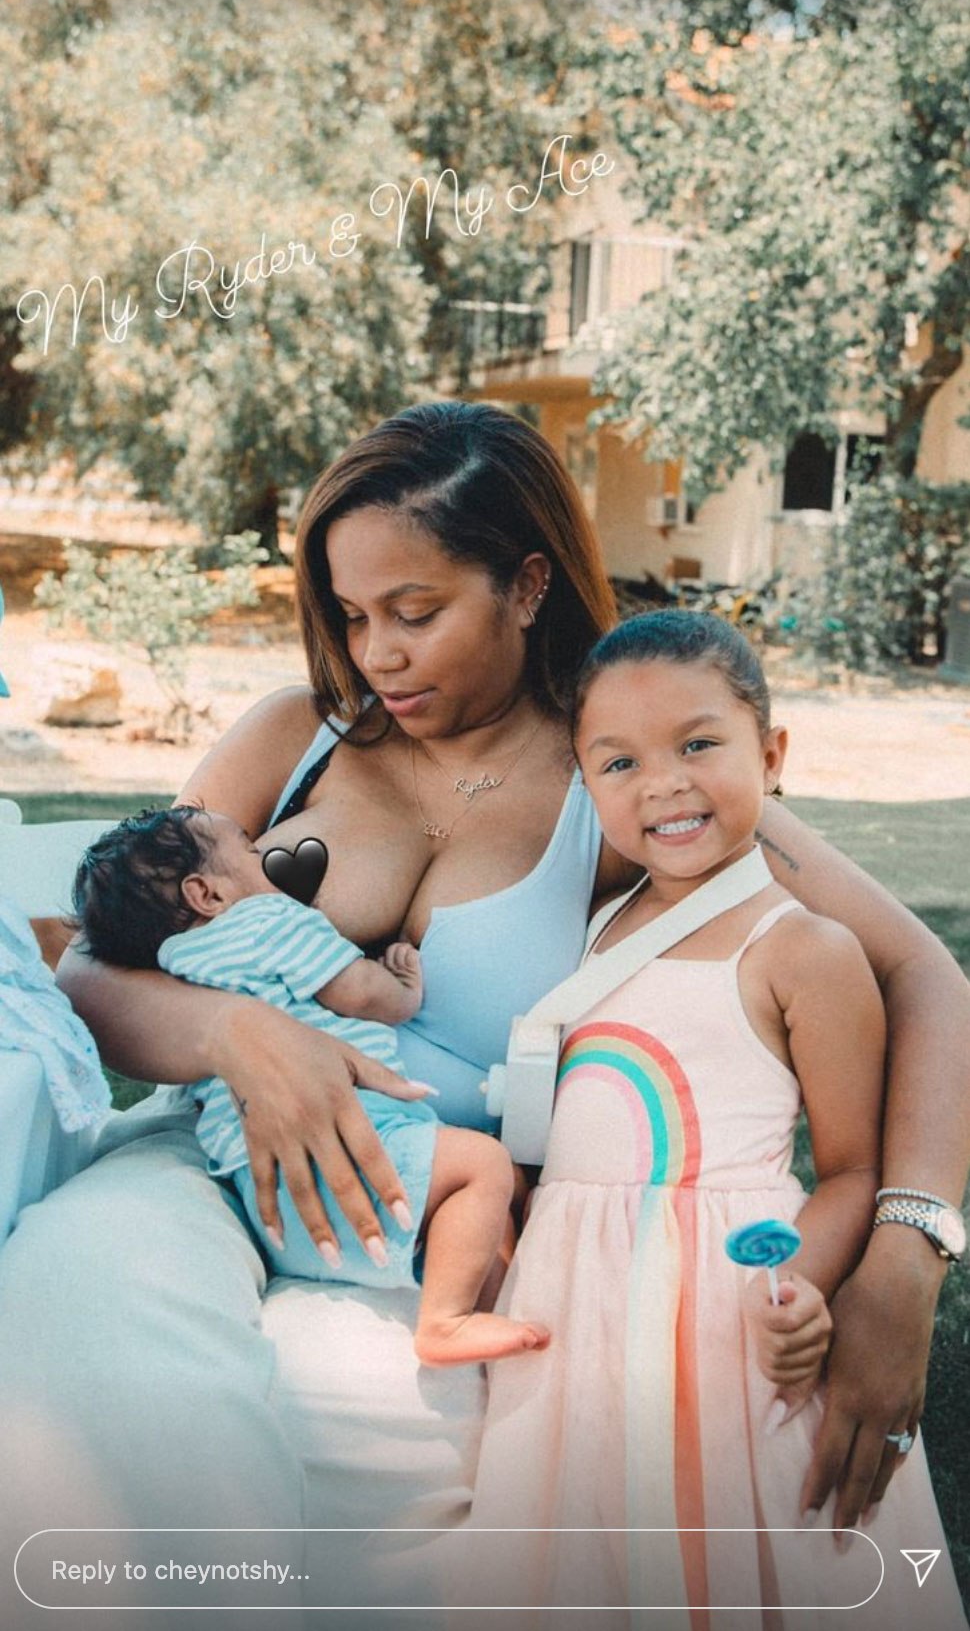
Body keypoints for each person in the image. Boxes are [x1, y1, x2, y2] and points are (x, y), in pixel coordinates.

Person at [0, 404, 967, 1624]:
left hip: (436, 1193)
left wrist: (906, 1253)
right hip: (210, 1152)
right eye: (352, 616)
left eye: (414, 612)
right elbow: (91, 964)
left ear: (525, 583)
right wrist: (238, 1036)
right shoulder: (293, 737)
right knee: (77, 1280)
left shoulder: (622, 773)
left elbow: (925, 976)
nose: (378, 654)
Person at [464, 611, 968, 1628]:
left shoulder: (805, 948)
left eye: (698, 744)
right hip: (577, 1326)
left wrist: (798, 1286)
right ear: (585, 781)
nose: (663, 782)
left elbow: (849, 1170)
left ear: (770, 755)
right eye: (618, 761)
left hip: (727, 1325)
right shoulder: (594, 928)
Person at [71, 804, 548, 1365]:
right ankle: (447, 1322)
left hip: (271, 1193)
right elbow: (362, 996)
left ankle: (481, 1317)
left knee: (503, 1190)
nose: (262, 864)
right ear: (208, 895)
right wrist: (403, 984)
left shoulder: (171, 964)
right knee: (486, 1168)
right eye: (249, 852)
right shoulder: (270, 921)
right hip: (353, 1146)